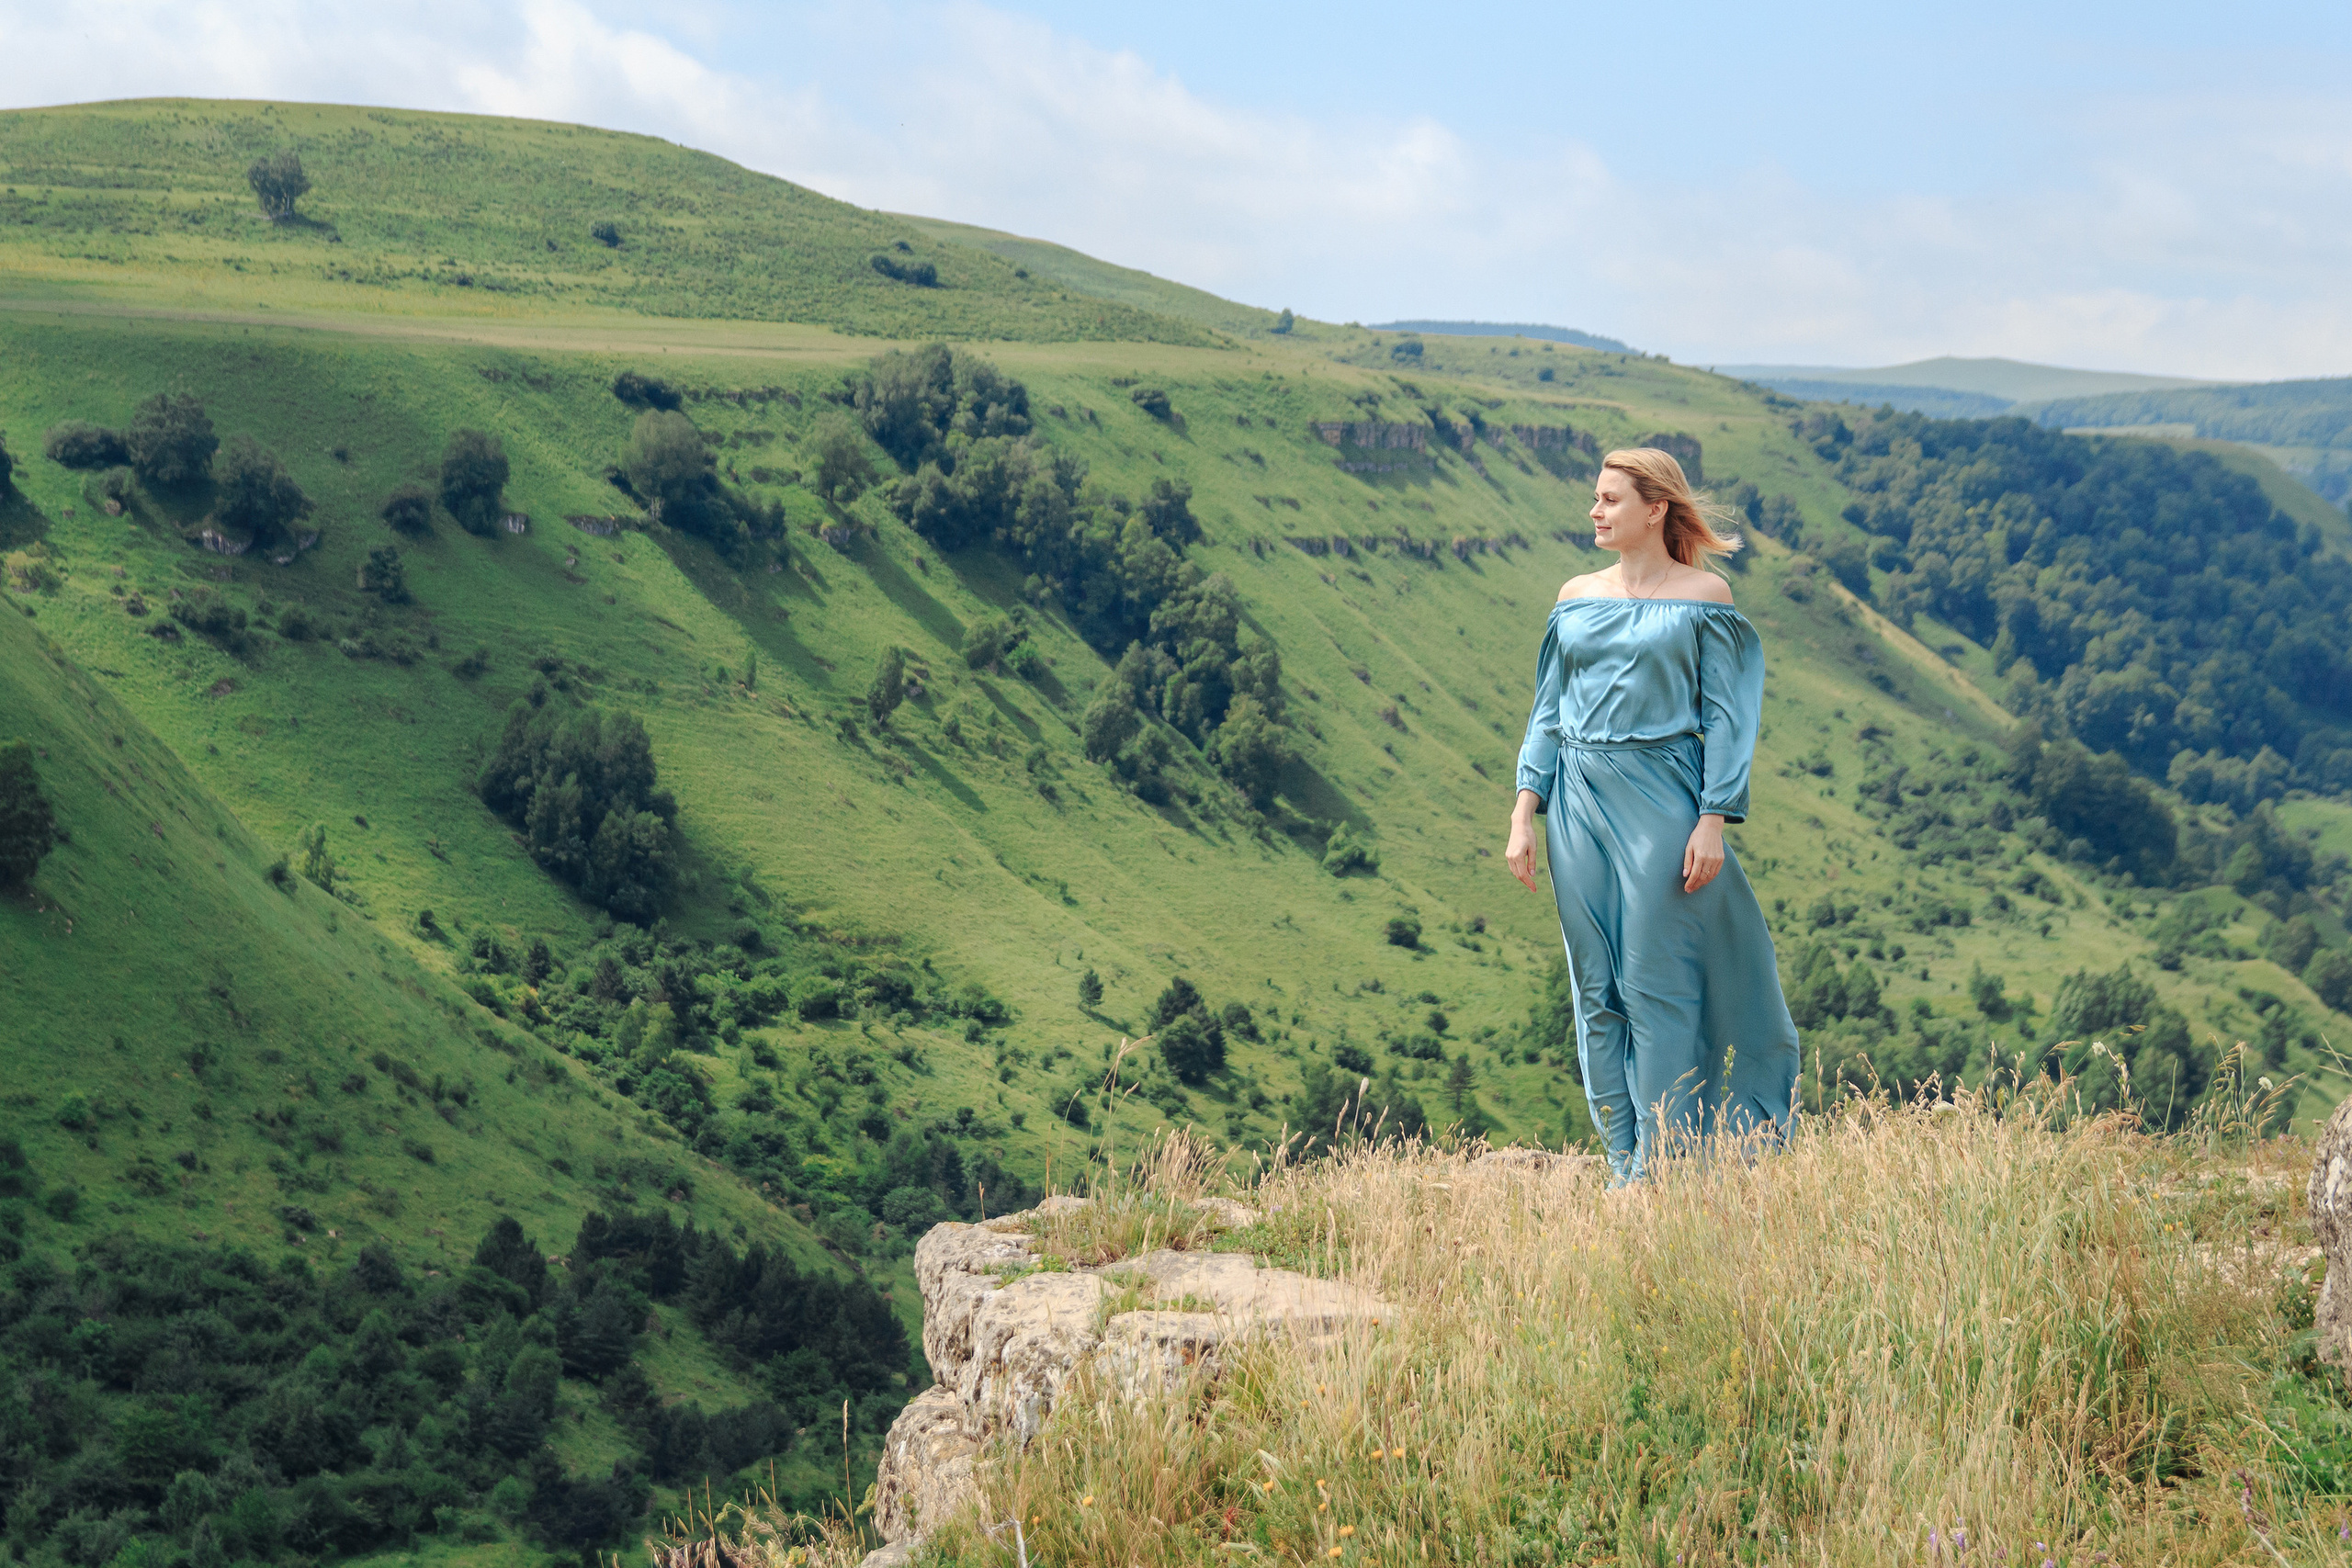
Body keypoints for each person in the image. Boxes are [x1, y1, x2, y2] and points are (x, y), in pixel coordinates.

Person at [1504, 447, 1799, 1183]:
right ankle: (1622, 1161)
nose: (1595, 511)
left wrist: (1714, 818)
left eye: (1610, 499)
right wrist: (1523, 809)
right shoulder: (1574, 595)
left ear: (1656, 507)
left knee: (1652, 982)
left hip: (1663, 797)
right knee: (1596, 990)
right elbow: (1547, 711)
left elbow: (1730, 718)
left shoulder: (1706, 595)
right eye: (1595, 499)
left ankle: (1666, 1169)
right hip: (1575, 801)